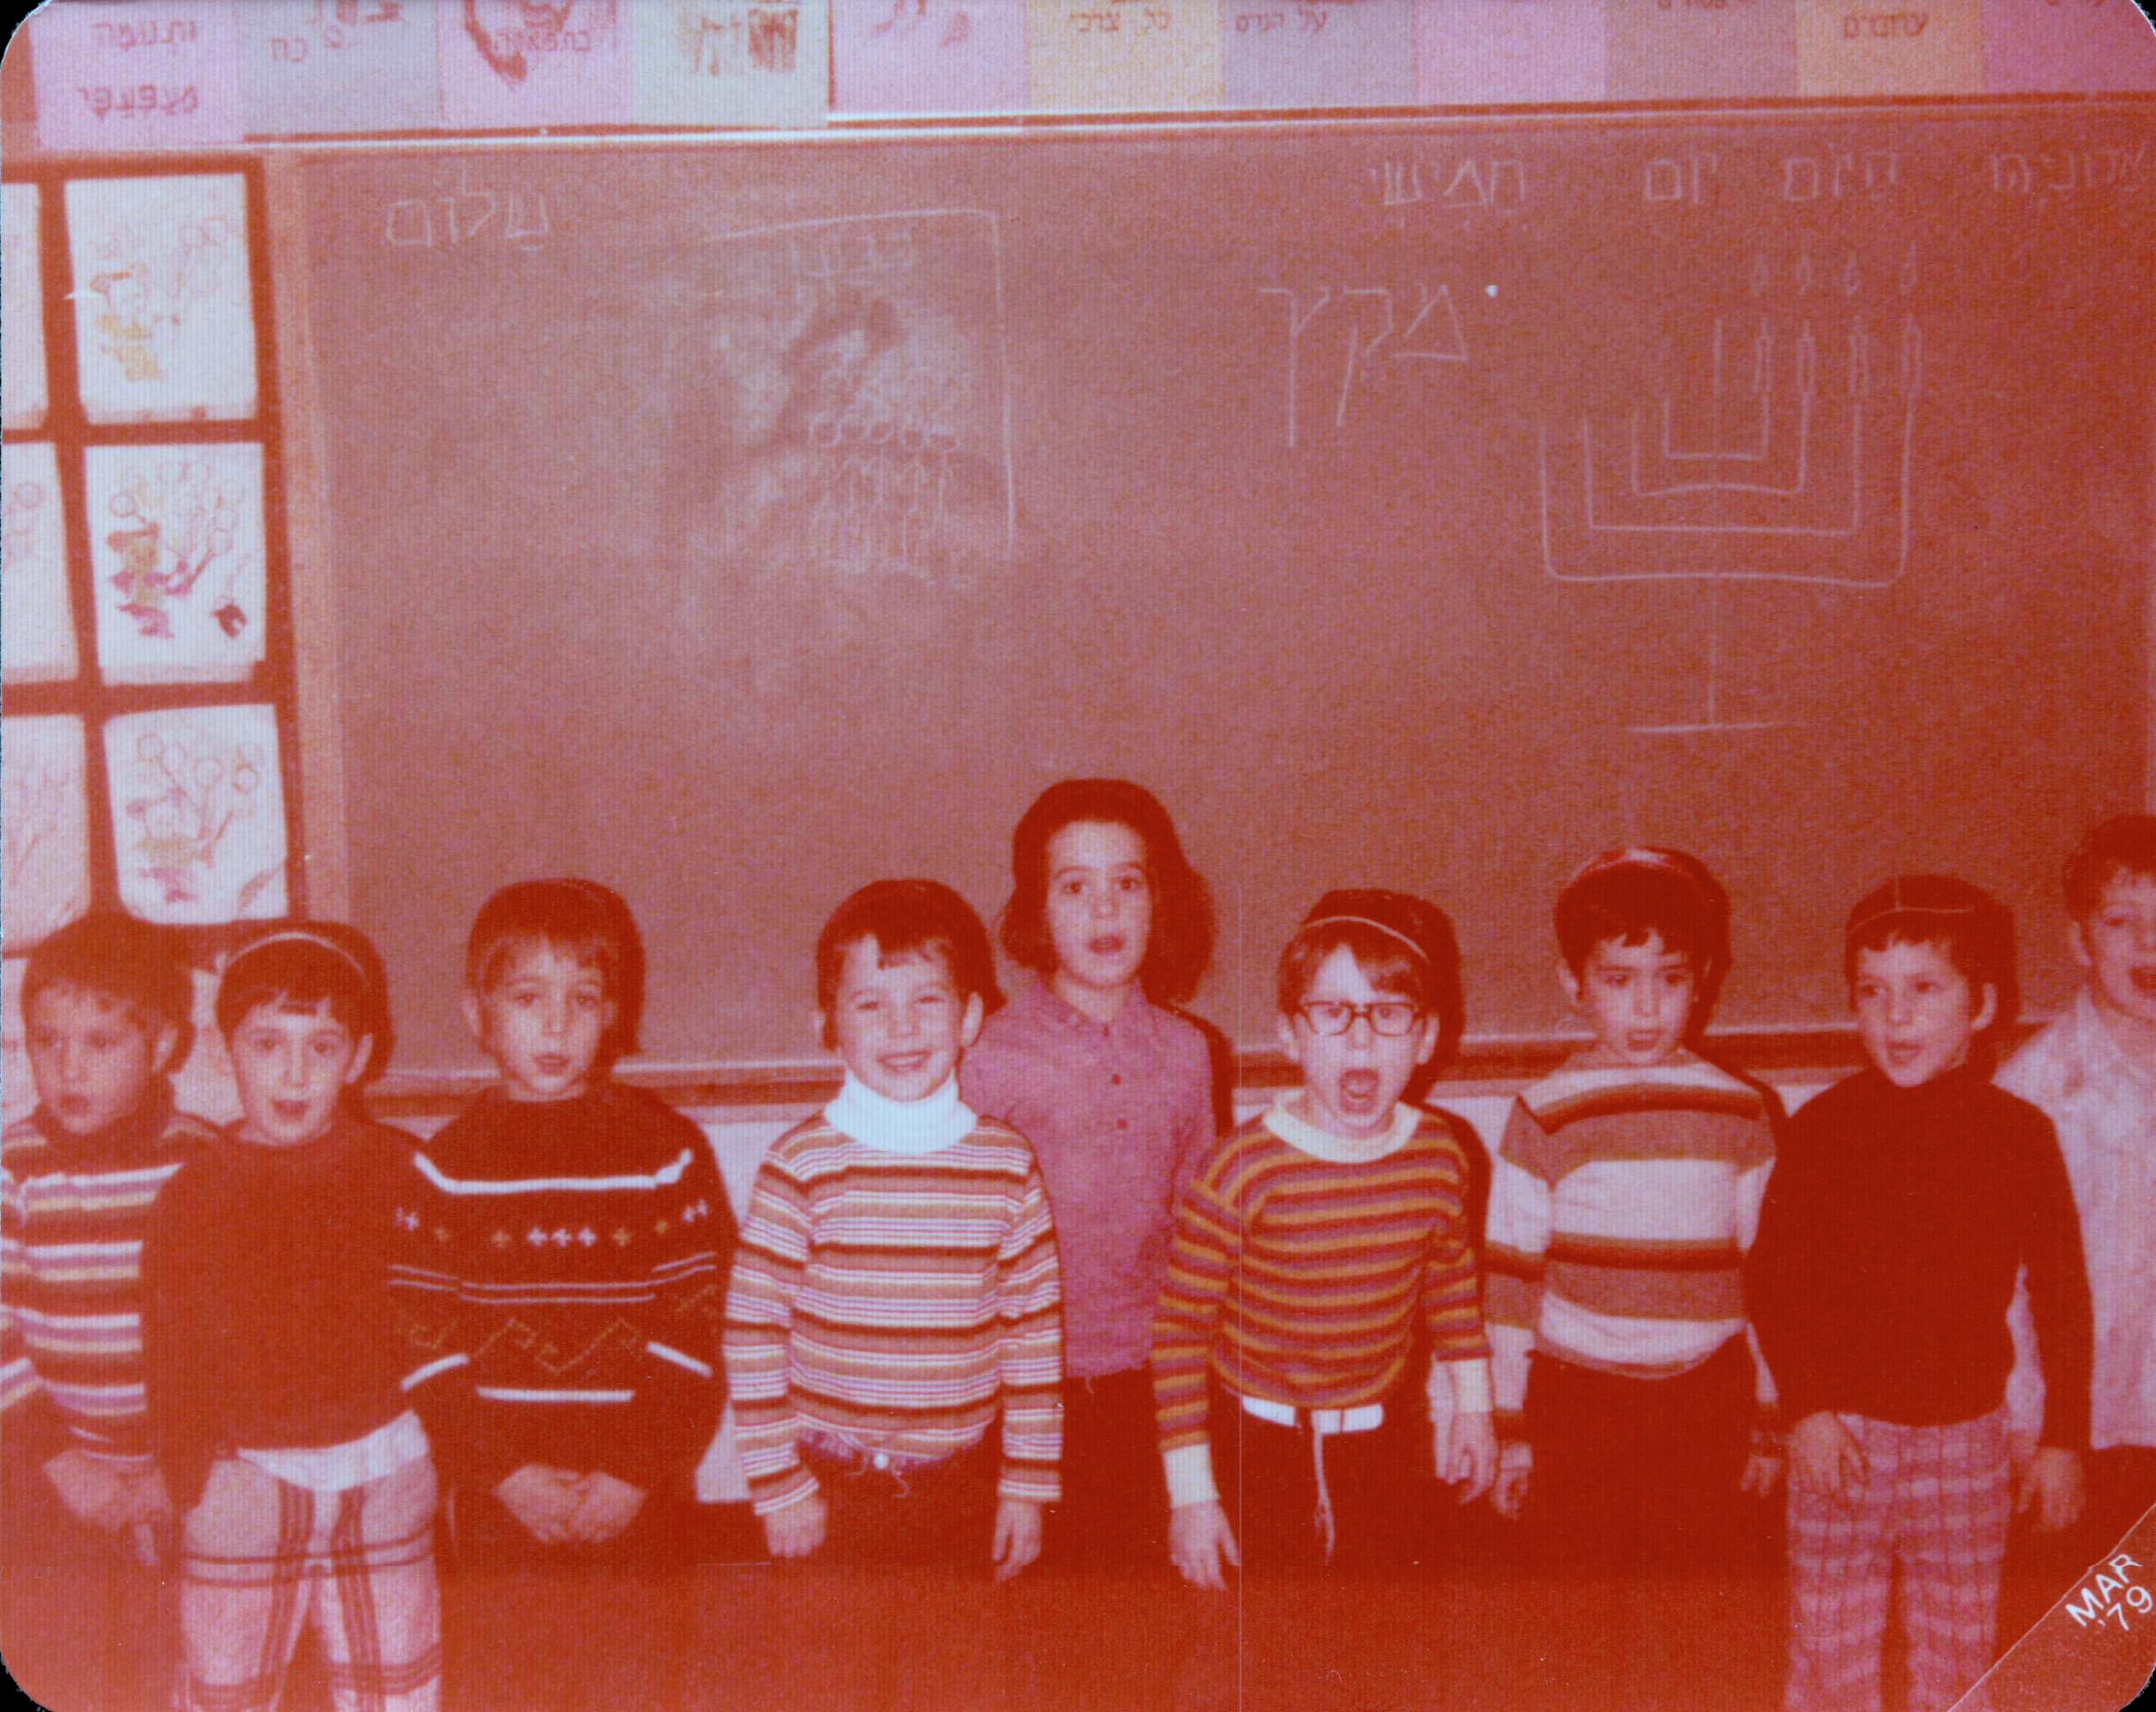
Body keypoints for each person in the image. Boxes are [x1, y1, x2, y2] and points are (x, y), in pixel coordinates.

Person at [1747, 876, 2094, 1712]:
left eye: (1924, 989)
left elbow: (2061, 1293)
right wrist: (1807, 1410)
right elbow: (1775, 1278)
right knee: (1828, 1644)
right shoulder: (1822, 1126)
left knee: (1960, 1646)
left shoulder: (2020, 1135)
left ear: (1982, 1005)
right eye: (1872, 992)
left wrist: (2062, 1440)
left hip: (1965, 1438)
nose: (1894, 1017)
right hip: (1841, 1433)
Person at [391, 878, 733, 1712]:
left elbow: (697, 1327)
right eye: (527, 998)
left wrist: (633, 1471)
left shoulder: (667, 1151)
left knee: (639, 1681)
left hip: (641, 1495)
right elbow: (424, 1344)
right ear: (477, 1013)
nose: (556, 1026)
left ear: (612, 1012)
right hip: (503, 1499)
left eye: (582, 999)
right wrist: (506, 1475)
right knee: (517, 1684)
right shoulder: (444, 1168)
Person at [723, 879, 1062, 1711]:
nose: (902, 1028)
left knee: (960, 1683)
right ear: (828, 1024)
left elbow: (1033, 1334)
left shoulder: (1005, 1164)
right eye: (871, 1004)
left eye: (927, 1000)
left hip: (961, 1489)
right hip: (830, 1491)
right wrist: (778, 1483)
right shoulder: (802, 1164)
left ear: (970, 1017)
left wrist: (1025, 1484)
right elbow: (752, 1329)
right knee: (828, 1686)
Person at [1152, 889, 1491, 1707]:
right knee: (1261, 1664)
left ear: (1427, 1036)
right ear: (1291, 1033)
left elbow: (1451, 1284)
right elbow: (1178, 1335)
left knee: (1384, 1656)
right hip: (1253, 1451)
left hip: (1384, 1445)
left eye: (1389, 1013)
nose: (1361, 1038)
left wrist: (1474, 1408)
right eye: (1333, 1013)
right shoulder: (1241, 1169)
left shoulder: (1441, 1154)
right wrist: (1192, 1493)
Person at [1484, 848, 1780, 1709]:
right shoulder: (1543, 1111)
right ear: (1573, 983)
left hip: (1706, 1400)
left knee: (1695, 1619)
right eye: (1618, 979)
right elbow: (1510, 1283)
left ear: (1704, 980)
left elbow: (1768, 1277)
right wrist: (1512, 1431)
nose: (1646, 1007)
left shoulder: (1741, 1109)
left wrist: (1768, 1420)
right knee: (1577, 1622)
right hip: (1579, 1401)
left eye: (1670, 978)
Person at [141, 925, 443, 1712]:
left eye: (323, 1047)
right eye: (267, 1043)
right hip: (244, 1478)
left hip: (384, 1466)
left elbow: (438, 1317)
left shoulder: (403, 1171)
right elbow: (168, 1348)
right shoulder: (191, 1195)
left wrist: (435, 1442)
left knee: (396, 1683)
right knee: (225, 1684)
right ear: (225, 1054)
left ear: (360, 1057)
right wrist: (187, 1474)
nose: (295, 1073)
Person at [960, 779, 1217, 1573]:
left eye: (1127, 883)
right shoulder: (990, 1057)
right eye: (1075, 886)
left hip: (1155, 1386)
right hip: (1021, 1398)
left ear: (1158, 901)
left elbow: (1201, 1233)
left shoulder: (1189, 1053)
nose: (1106, 909)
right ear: (1036, 912)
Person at [0, 912, 214, 1712]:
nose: (68, 1068)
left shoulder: (202, 1164)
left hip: (187, 1468)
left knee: (191, 1659)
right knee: (67, 1657)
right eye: (47, 1040)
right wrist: (62, 1463)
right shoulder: (16, 1168)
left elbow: (233, 1331)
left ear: (161, 1047)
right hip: (50, 1464)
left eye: (100, 1042)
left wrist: (180, 1467)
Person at [1998, 815, 2156, 1634]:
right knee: (2084, 1636)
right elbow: (2005, 1290)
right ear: (2078, 939)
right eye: (2121, 921)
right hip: (2081, 1431)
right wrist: (2039, 1436)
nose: (2149, 944)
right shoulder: (2034, 1092)